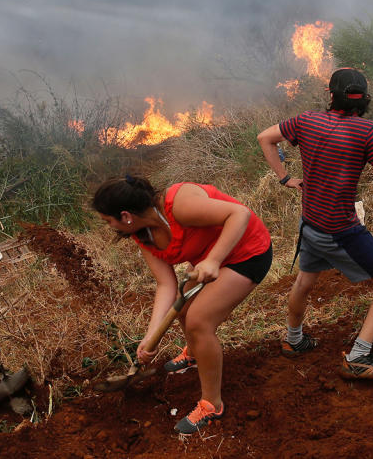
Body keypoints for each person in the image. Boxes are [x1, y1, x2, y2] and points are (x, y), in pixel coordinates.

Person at [257, 67, 373, 380]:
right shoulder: (368, 131)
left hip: (310, 223)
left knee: (304, 281)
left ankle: (294, 340)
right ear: (363, 99)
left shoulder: (305, 120)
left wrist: (285, 178)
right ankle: (358, 357)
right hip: (340, 229)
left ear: (331, 95)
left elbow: (264, 138)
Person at [92, 176, 272, 434]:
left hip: (248, 251)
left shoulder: (178, 204)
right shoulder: (143, 236)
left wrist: (213, 259)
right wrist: (151, 336)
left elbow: (239, 214)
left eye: (108, 221)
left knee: (199, 321)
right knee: (183, 308)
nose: (109, 227)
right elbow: (166, 285)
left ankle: (212, 405)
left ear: (126, 216)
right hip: (208, 261)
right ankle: (196, 354)